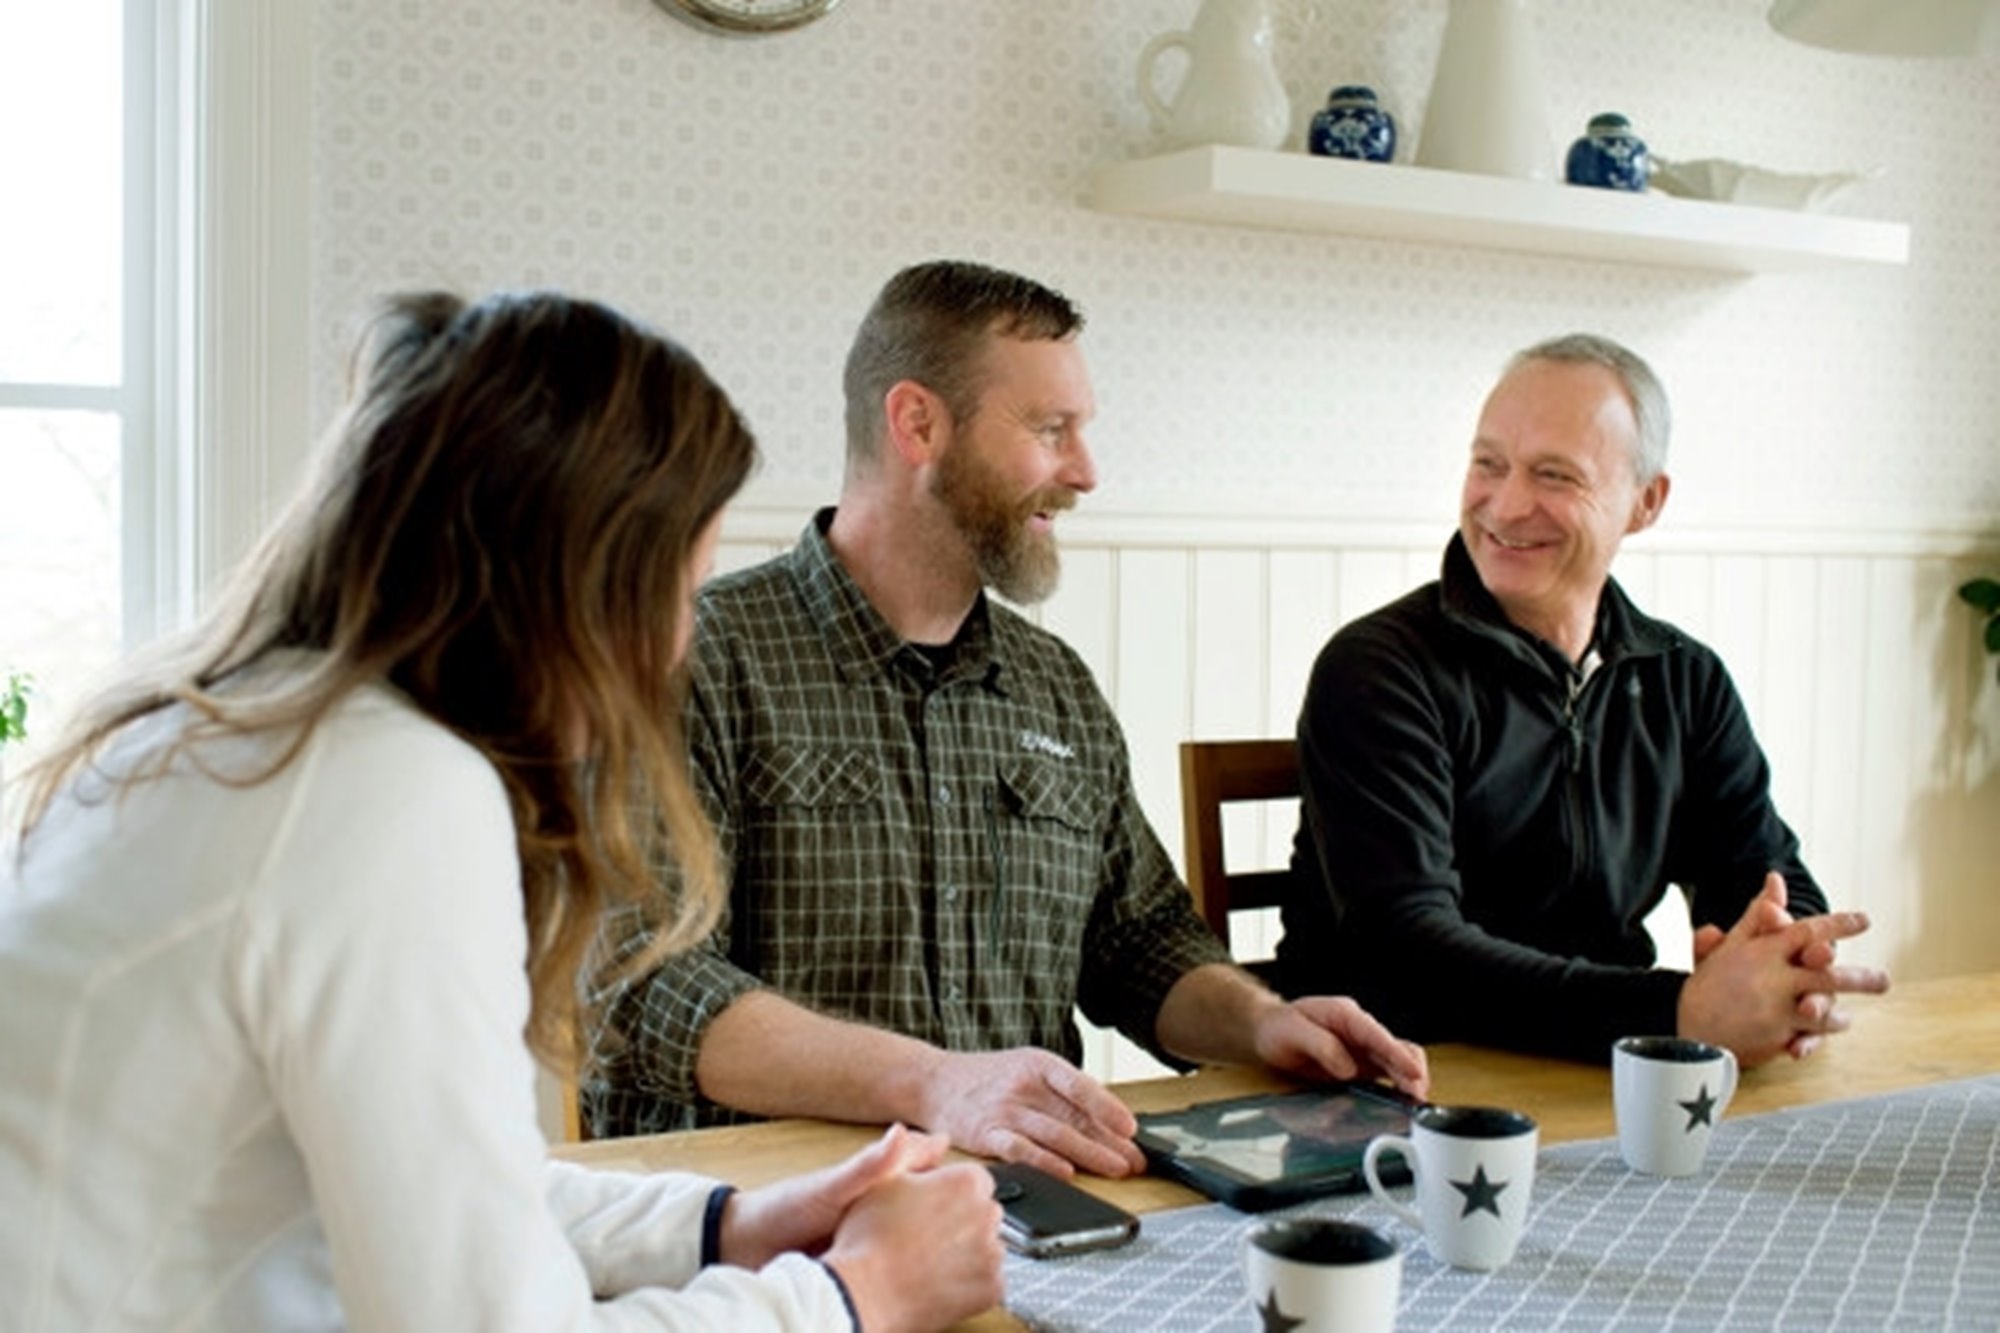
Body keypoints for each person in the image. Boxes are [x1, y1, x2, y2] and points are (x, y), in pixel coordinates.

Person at [0, 290, 1003, 1331]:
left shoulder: (236, 740)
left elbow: (447, 1187)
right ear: (577, 582)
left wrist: (725, 1227)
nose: (673, 646)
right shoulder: (384, 798)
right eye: (677, 587)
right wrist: (851, 1295)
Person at [585, 259, 1429, 1174]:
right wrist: (936, 1084)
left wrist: (1265, 1022)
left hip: (1029, 1202)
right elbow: (643, 983)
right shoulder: (695, 659)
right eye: (1049, 429)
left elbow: (1137, 939)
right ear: (918, 424)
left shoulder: (1054, 687)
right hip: (759, 1220)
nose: (1086, 471)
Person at [1274, 333, 1891, 1068]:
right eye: (1489, 464)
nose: (1505, 504)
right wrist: (1679, 1011)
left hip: (1607, 1076)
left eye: (1554, 475)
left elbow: (1765, 881)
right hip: (1394, 1089)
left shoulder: (1685, 678)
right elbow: (1409, 951)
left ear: (1645, 501)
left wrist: (1788, 974)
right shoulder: (1377, 668)